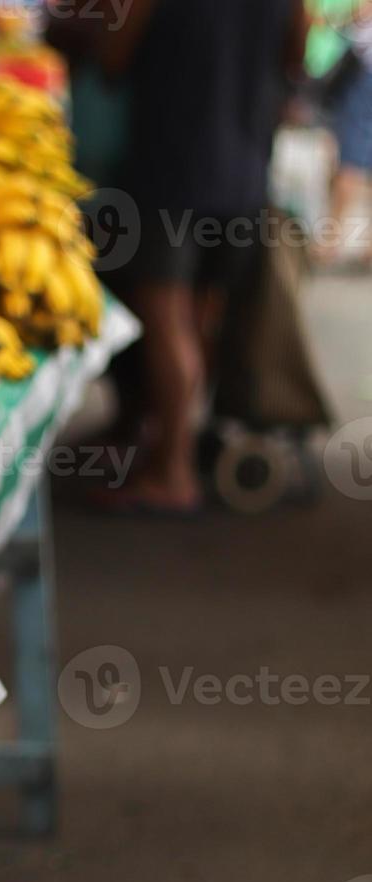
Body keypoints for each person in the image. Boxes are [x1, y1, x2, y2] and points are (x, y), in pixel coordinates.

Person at [51, 0, 309, 514]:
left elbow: (112, 61)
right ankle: (169, 443)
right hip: (243, 174)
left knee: (167, 324)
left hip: (169, 171)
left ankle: (173, 470)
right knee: (199, 320)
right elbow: (295, 59)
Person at [316, 0, 372, 266]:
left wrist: (341, 18)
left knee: (351, 155)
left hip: (366, 71)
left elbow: (362, 12)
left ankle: (331, 239)